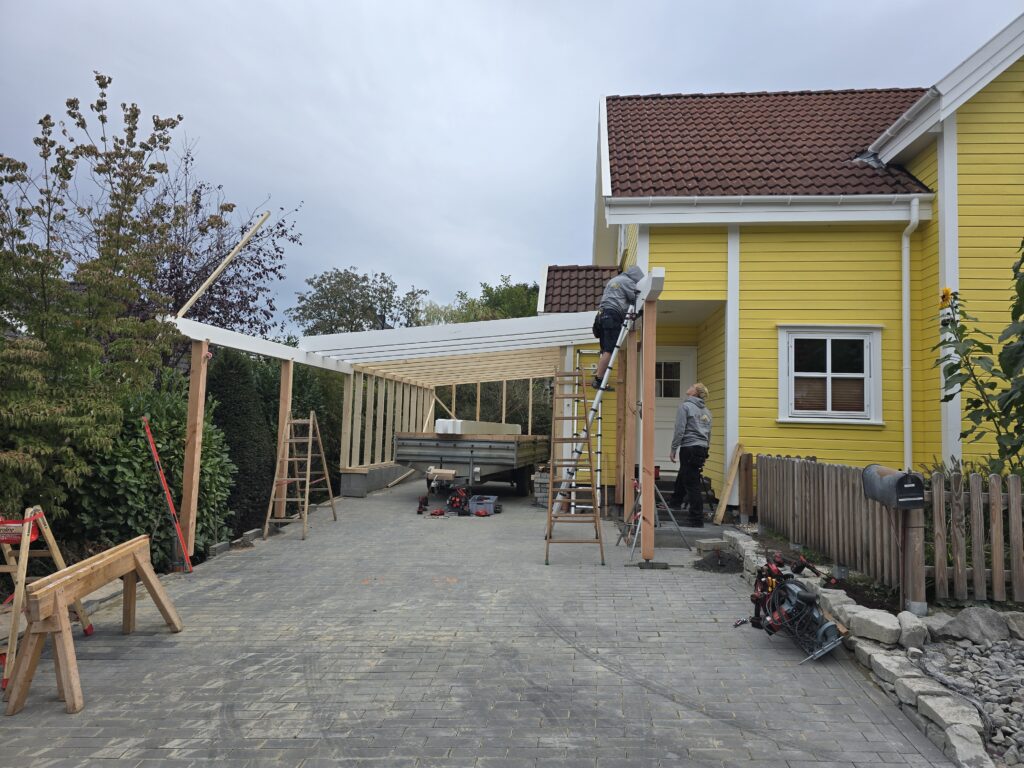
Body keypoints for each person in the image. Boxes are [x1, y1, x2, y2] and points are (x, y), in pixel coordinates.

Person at [592, 265, 644, 389]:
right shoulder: (628, 282)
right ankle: (599, 380)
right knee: (610, 351)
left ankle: (600, 378)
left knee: (606, 351)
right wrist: (639, 312)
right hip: (611, 316)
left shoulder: (614, 281)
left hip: (601, 316)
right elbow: (637, 298)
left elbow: (621, 301)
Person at [669, 383, 712, 525]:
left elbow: (680, 429)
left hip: (689, 448)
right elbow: (708, 433)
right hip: (701, 448)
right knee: (684, 474)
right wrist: (706, 449)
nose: (690, 386)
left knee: (692, 483)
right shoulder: (706, 411)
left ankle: (696, 518)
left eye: (693, 386)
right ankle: (675, 502)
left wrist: (674, 448)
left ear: (695, 392)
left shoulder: (685, 407)